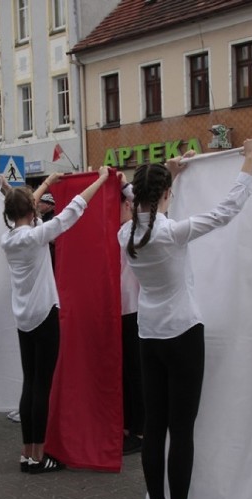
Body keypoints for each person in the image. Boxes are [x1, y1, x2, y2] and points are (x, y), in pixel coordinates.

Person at [119, 139, 252, 499]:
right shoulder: (171, 233)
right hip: (182, 333)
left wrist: (170, 175)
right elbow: (226, 211)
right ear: (166, 194)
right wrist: (248, 160)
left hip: (148, 335)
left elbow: (147, 209)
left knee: (155, 426)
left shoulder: (125, 236)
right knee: (182, 427)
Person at [2, 166, 109, 474]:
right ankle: (38, 457)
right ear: (32, 210)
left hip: (23, 317)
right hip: (44, 315)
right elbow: (74, 210)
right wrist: (100, 180)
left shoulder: (7, 238)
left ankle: (27, 452)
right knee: (42, 387)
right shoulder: (37, 236)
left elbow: (22, 207)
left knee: (30, 382)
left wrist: (47, 183)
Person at [118, 173, 144, 456]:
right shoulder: (118, 231)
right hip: (120, 309)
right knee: (125, 371)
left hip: (135, 309)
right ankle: (128, 426)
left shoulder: (136, 230)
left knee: (135, 373)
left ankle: (140, 429)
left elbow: (144, 203)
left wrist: (126, 186)